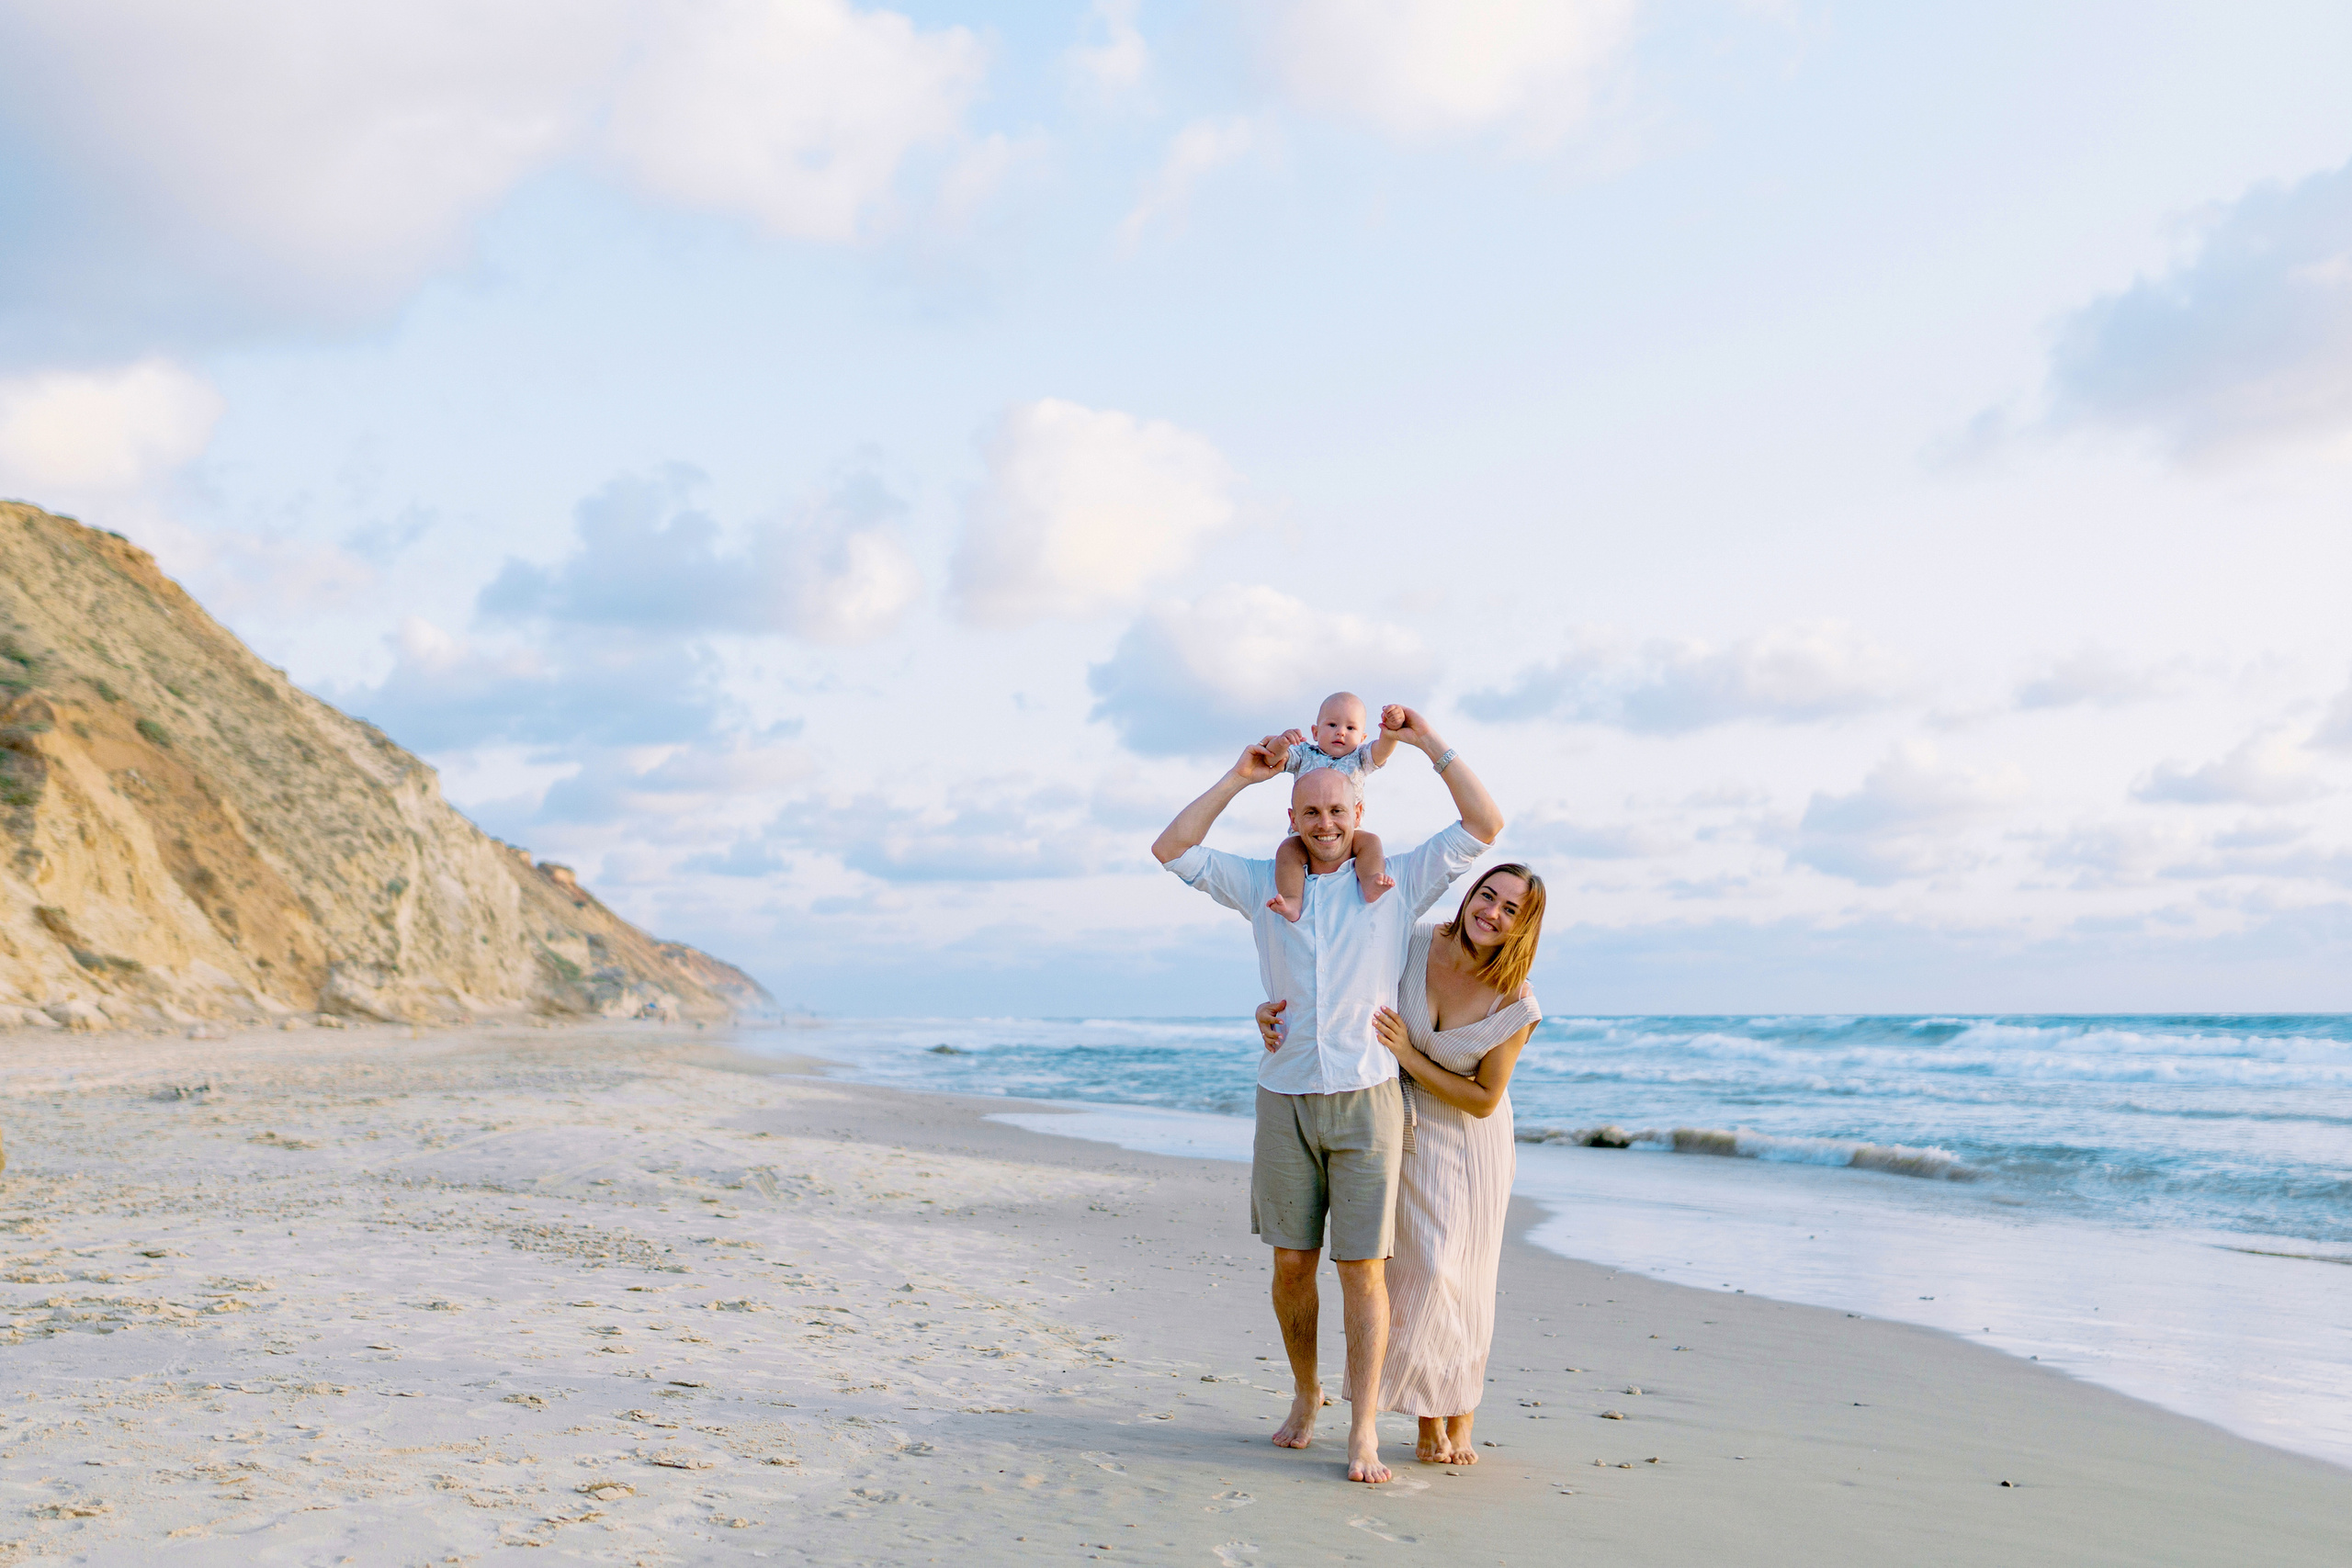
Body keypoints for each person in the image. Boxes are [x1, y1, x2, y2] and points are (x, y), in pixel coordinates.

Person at [1151, 705, 1502, 1484]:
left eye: (1338, 810)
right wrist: (1239, 777)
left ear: (1358, 812)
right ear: (1293, 816)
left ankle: (1364, 1430)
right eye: (1310, 811)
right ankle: (1307, 1394)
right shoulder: (1260, 883)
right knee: (1290, 1265)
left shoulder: (1396, 880)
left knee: (1363, 1270)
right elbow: (1171, 847)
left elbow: (1485, 820)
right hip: (1285, 1098)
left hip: (1370, 1097)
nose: (1325, 823)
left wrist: (1425, 741)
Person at [1258, 863, 1545, 1466]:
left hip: (1471, 1142)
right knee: (1411, 1274)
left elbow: (1484, 1097)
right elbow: (1336, 977)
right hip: (1392, 1122)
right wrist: (1272, 1010)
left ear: (1524, 925)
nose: (1490, 911)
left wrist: (1410, 1055)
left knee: (1455, 1276)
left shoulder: (1515, 1000)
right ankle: (1425, 1415)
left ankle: (1453, 1412)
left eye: (1509, 908)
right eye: (1486, 894)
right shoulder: (1414, 941)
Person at [1266, 692, 1402, 921]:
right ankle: (1292, 900)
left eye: (1351, 728)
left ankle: (1370, 882)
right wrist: (1280, 743)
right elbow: (1271, 759)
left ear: (1362, 737)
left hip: (1347, 833)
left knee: (1371, 842)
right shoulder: (1303, 753)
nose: (1341, 732)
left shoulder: (1360, 758)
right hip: (1304, 833)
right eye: (1332, 724)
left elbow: (1382, 750)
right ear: (1315, 732)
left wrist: (1391, 732)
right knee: (1287, 851)